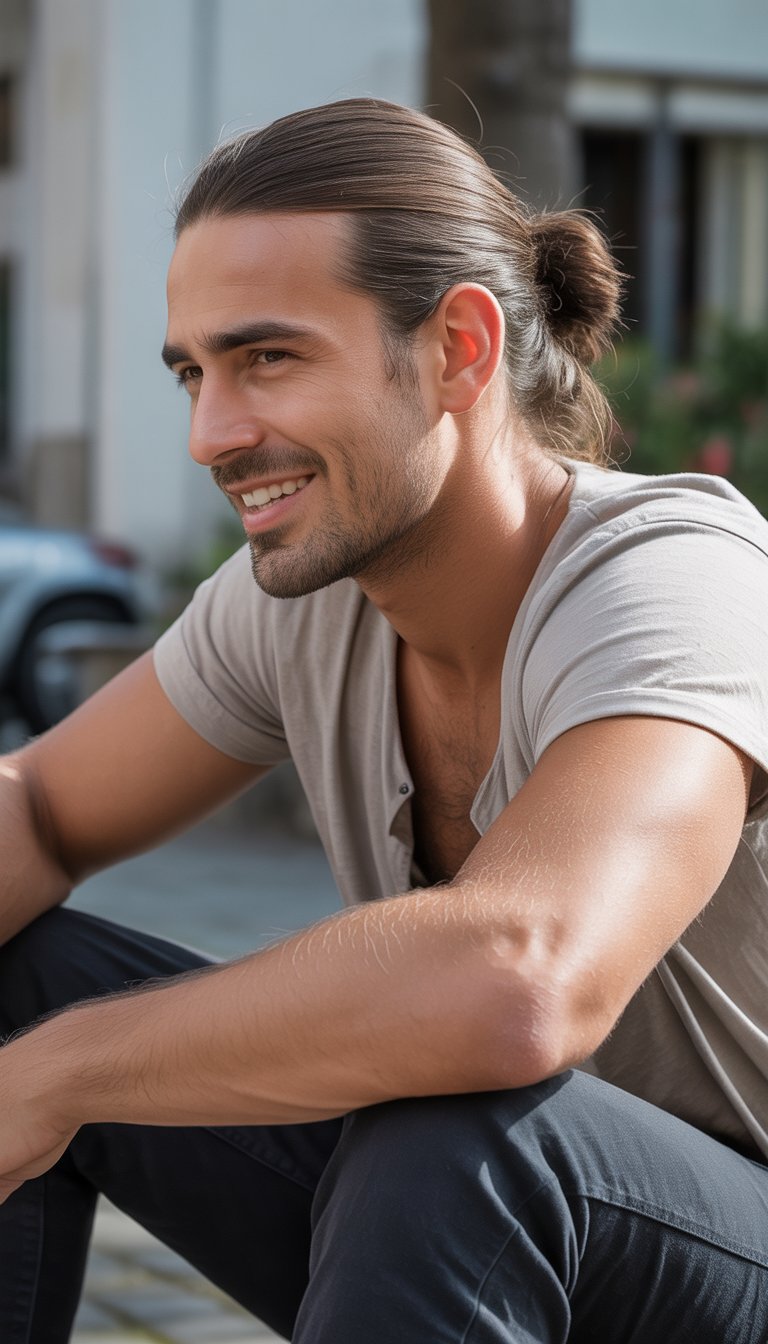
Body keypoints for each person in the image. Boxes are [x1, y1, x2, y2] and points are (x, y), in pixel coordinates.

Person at [1, 97, 768, 1344]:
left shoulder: (677, 575)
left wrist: (62, 1075)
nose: (213, 433)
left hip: (722, 1241)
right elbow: (38, 805)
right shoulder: (299, 599)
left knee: (463, 1120)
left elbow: (517, 977)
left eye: (270, 359)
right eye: (195, 372)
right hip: (479, 1231)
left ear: (459, 348)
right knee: (23, 979)